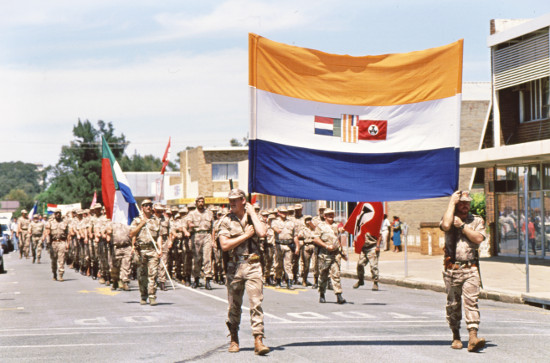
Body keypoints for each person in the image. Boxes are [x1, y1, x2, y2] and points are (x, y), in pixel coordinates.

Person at [218, 189, 269, 355]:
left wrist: (252, 213)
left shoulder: (253, 217)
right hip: (234, 267)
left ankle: (258, 339)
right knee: (234, 305)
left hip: (253, 265)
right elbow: (225, 245)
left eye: (236, 200)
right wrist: (245, 236)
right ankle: (234, 338)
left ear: (243, 201)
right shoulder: (226, 220)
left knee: (256, 303)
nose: (232, 203)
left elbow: (262, 233)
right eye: (230, 200)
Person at [440, 190, 486, 352]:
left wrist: (463, 226)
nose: (465, 205)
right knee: (453, 304)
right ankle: (456, 335)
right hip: (452, 269)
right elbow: (445, 226)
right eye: (462, 202)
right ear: (457, 204)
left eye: (467, 202)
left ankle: (473, 336)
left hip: (471, 268)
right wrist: (451, 202)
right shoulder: (449, 218)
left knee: (471, 303)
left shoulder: (476, 220)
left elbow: (478, 239)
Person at [130, 199, 162, 306]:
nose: (148, 207)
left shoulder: (156, 220)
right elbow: (131, 233)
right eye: (146, 205)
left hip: (152, 250)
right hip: (141, 250)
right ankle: (143, 295)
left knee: (153, 274)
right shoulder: (137, 220)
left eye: (150, 205)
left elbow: (159, 236)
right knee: (142, 275)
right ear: (142, 207)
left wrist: (160, 248)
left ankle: (152, 296)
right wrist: (141, 224)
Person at [313, 208, 348, 304]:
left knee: (336, 274)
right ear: (324, 216)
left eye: (332, 214)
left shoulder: (336, 225)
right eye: (328, 215)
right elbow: (316, 239)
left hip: (335, 254)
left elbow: (339, 238)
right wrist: (326, 246)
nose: (331, 216)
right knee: (323, 275)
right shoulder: (320, 226)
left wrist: (342, 253)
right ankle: (322, 294)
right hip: (325, 254)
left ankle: (339, 295)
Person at [187, 196, 214, 290]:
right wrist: (190, 225)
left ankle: (207, 280)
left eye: (202, 201)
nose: (201, 203)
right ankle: (196, 279)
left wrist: (213, 240)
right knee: (197, 259)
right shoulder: (192, 213)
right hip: (196, 236)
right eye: (199, 201)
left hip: (207, 235)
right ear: (196, 203)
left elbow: (212, 228)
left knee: (207, 258)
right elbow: (189, 222)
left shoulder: (209, 213)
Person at [271, 206, 297, 289]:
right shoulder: (275, 221)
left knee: (288, 264)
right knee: (278, 264)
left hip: (288, 245)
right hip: (279, 245)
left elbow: (295, 235)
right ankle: (278, 280)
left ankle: (289, 281)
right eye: (282, 212)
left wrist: (297, 247)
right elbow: (273, 227)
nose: (284, 214)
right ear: (278, 212)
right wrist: (277, 230)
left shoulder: (291, 222)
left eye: (285, 212)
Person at [105, 221, 132, 291]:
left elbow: (133, 233)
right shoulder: (110, 223)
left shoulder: (128, 221)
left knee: (126, 265)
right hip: (115, 247)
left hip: (127, 247)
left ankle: (125, 282)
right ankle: (115, 280)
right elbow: (107, 234)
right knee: (115, 266)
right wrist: (108, 232)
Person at [44, 209, 70, 281]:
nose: (58, 214)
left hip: (62, 242)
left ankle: (61, 275)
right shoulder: (50, 223)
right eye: (56, 213)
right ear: (54, 214)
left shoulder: (64, 223)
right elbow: (47, 233)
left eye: (59, 213)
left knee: (61, 259)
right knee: (54, 260)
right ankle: (54, 274)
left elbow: (68, 234)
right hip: (53, 243)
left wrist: (68, 244)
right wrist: (48, 242)